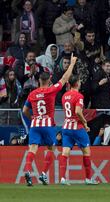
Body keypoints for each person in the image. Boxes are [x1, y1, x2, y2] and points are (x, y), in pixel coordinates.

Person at [22, 53, 77, 186]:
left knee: (33, 149)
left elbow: (24, 111)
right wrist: (72, 64)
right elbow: (64, 79)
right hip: (48, 124)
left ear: (39, 81)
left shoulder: (32, 94)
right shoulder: (51, 90)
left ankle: (28, 171)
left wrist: (33, 118)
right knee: (51, 149)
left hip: (35, 124)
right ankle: (43, 174)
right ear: (49, 80)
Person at [59, 74, 99, 185]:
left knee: (65, 152)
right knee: (86, 152)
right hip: (77, 127)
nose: (80, 83)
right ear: (77, 83)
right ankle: (88, 179)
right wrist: (85, 122)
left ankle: (62, 178)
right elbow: (77, 111)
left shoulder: (64, 96)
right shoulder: (79, 96)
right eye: (80, 81)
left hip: (66, 127)